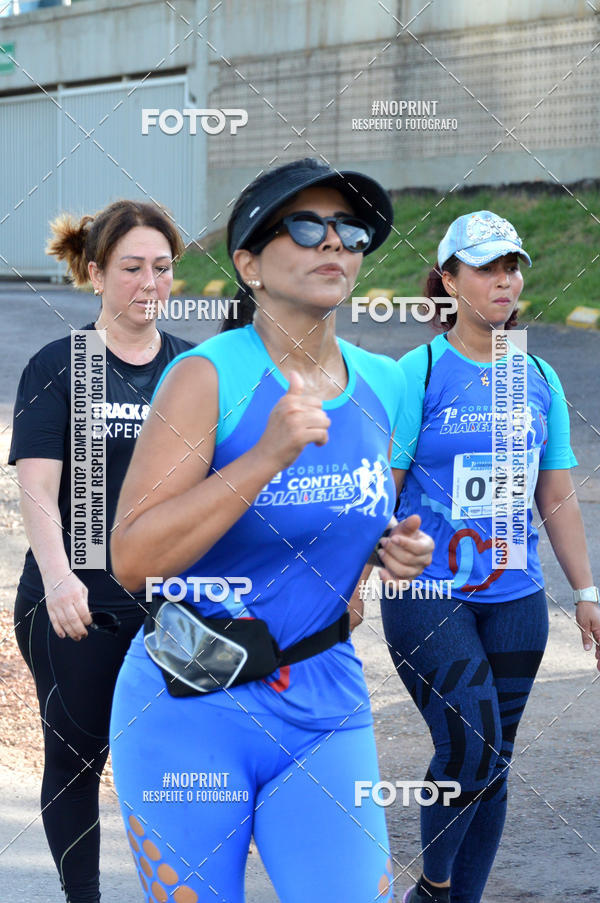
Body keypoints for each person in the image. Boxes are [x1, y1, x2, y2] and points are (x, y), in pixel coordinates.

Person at [108, 157, 434, 903]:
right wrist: (262, 458)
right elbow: (132, 557)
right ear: (250, 263)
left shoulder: (384, 382)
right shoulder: (207, 377)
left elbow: (357, 530)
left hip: (325, 700)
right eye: (308, 226)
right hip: (191, 702)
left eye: (350, 231)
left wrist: (395, 551)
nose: (335, 245)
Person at [376, 210, 600, 903]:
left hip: (516, 596)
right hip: (428, 590)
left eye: (513, 267)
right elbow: (380, 487)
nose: (505, 280)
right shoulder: (418, 371)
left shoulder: (536, 373)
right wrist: (357, 573)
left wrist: (587, 592)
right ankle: (433, 887)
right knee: (468, 746)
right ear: (449, 280)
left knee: (494, 760)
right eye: (487, 268)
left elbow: (555, 494)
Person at [9, 199, 194, 903]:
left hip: (168, 599)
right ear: (95, 274)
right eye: (131, 268)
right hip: (77, 599)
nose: (149, 283)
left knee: (180, 758)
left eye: (162, 268)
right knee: (78, 757)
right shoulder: (65, 365)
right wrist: (59, 580)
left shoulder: (192, 367)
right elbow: (36, 490)